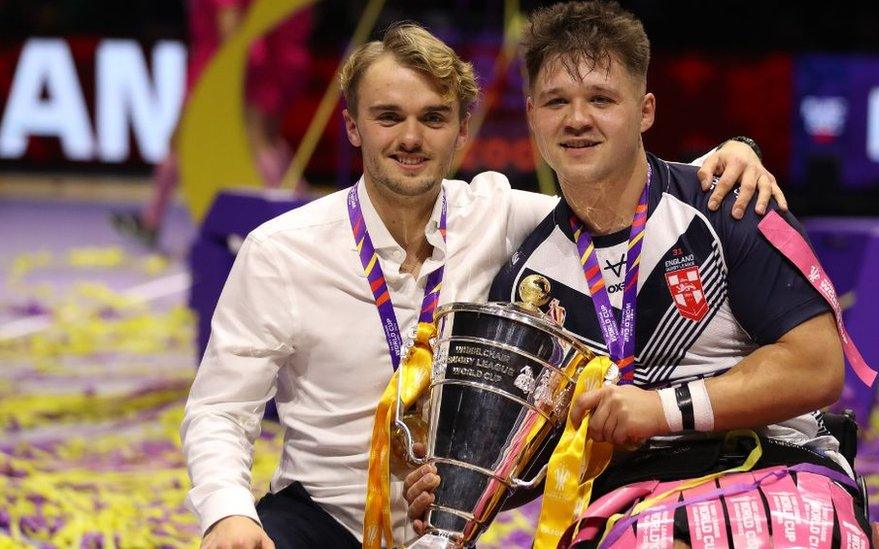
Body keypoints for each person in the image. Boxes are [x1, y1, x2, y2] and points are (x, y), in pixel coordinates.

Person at [181, 21, 784, 549]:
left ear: (462, 130)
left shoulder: (500, 217)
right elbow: (220, 409)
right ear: (353, 127)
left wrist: (734, 152)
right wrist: (226, 515)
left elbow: (619, 186)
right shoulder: (282, 252)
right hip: (319, 520)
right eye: (388, 116)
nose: (411, 138)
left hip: (450, 524)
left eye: (433, 118)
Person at [404, 3, 879, 546]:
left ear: (645, 110)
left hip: (769, 465)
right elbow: (530, 452)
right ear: (533, 116)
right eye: (557, 101)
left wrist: (660, 409)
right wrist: (458, 491)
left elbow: (817, 367)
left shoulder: (727, 203)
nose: (577, 119)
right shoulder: (527, 280)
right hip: (627, 500)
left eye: (601, 100)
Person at [112, 0, 312, 248]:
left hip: (217, 69)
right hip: (263, 60)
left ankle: (297, 220)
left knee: (243, 139)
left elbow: (230, 27)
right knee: (265, 138)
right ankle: (301, 212)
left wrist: (227, 80)